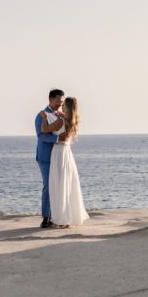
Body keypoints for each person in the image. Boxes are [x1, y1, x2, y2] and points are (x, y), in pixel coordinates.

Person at [48, 97, 89, 228]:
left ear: (67, 107)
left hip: (59, 152)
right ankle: (66, 218)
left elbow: (45, 129)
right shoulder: (71, 121)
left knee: (58, 185)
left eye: (64, 105)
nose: (61, 106)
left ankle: (60, 219)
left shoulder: (61, 121)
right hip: (66, 152)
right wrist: (60, 114)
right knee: (66, 185)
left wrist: (44, 116)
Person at [35, 89, 65, 229]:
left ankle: (54, 216)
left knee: (56, 186)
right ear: (50, 99)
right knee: (48, 185)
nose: (60, 103)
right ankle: (45, 218)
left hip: (58, 156)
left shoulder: (59, 114)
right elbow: (41, 136)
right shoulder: (41, 115)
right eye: (58, 101)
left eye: (62, 101)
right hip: (46, 157)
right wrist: (58, 139)